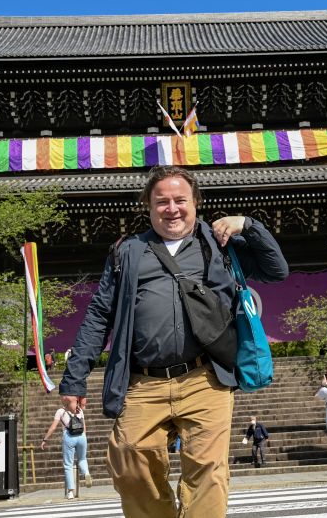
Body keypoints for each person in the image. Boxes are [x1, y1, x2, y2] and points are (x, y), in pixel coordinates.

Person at [59, 165, 289, 517]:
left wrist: (248, 224)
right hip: (143, 381)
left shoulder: (218, 243)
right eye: (161, 201)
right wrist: (75, 376)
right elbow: (98, 315)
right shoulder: (128, 251)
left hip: (205, 379)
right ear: (148, 207)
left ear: (195, 202)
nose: (172, 209)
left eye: (180, 200)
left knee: (208, 472)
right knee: (129, 461)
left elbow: (277, 269)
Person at [39, 405, 91, 499]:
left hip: (69, 437)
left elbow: (53, 427)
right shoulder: (79, 409)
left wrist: (45, 439)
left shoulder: (60, 411)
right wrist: (84, 437)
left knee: (68, 465)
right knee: (82, 458)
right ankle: (86, 473)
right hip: (82, 436)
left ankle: (70, 492)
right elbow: (84, 425)